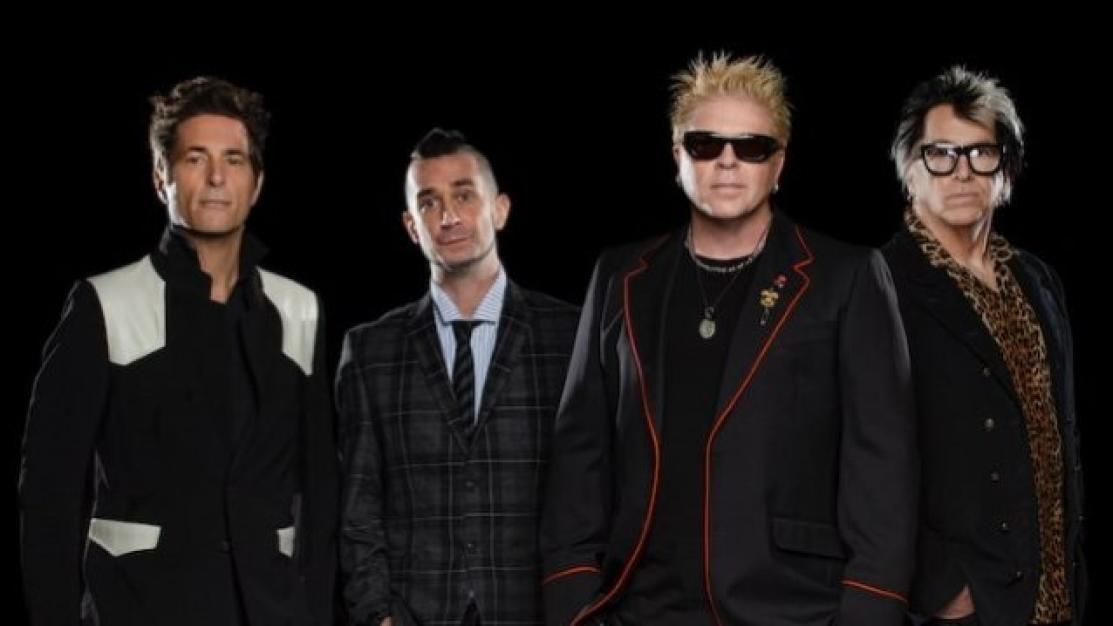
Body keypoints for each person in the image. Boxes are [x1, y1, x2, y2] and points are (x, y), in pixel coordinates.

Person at [539, 52, 917, 626]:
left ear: (779, 163)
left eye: (752, 147)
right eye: (705, 144)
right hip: (638, 607)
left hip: (792, 608)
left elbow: (884, 465)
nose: (727, 161)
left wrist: (868, 613)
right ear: (677, 157)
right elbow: (579, 454)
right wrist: (573, 601)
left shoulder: (847, 277)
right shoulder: (622, 276)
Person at [18, 76, 337, 626]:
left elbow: (320, 491)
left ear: (257, 182)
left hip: (271, 610)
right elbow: (49, 492)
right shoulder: (105, 304)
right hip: (139, 609)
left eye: (234, 159)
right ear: (160, 176)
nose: (216, 177)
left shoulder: (299, 309)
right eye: (195, 158)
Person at [336, 128, 579, 625]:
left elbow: (593, 494)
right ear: (411, 226)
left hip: (538, 611)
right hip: (413, 613)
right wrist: (377, 616)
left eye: (464, 195)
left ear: (500, 209)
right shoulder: (371, 351)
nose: (448, 216)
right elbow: (358, 507)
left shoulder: (570, 336)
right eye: (429, 203)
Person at [882, 66, 1087, 626]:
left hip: (1054, 593)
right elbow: (853, 456)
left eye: (981, 153)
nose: (962, 171)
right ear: (910, 169)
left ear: (1006, 169)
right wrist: (939, 586)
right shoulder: (879, 286)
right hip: (963, 603)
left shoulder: (1037, 280)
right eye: (940, 154)